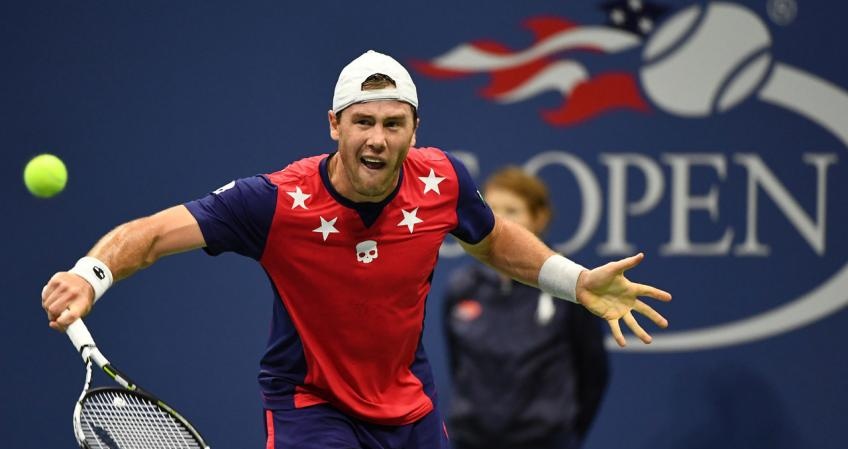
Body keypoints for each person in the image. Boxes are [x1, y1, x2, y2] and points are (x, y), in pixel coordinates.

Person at [41, 50, 671, 449]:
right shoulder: (274, 201)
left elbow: (494, 241)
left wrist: (574, 281)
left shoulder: (442, 180)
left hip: (409, 407)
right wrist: (91, 275)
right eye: (363, 122)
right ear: (334, 125)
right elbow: (152, 235)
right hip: (310, 407)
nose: (377, 139)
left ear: (414, 131)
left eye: (393, 124)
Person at [443, 167, 608, 449]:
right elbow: (457, 365)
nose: (498, 220)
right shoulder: (461, 288)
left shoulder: (570, 287)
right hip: (470, 440)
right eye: (491, 209)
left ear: (540, 218)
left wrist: (562, 433)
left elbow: (593, 372)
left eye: (512, 210)